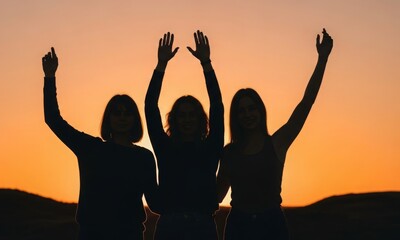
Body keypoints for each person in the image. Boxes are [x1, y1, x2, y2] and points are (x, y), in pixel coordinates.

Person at [216, 28, 334, 239]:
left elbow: (307, 102)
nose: (247, 114)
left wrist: (322, 59)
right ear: (235, 117)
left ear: (260, 111)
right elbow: (216, 195)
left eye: (252, 108)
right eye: (241, 110)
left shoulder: (277, 143)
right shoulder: (229, 153)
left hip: (271, 224)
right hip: (239, 226)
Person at [42, 47, 160, 239]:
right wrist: (49, 77)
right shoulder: (90, 148)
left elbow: (156, 203)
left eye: (127, 113)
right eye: (117, 112)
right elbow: (53, 120)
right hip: (93, 234)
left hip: (130, 235)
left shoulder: (144, 157)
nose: (122, 117)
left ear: (135, 119)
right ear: (109, 118)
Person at [145, 31, 224, 239]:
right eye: (182, 115)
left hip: (203, 226)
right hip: (170, 226)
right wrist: (161, 66)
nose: (187, 119)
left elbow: (217, 105)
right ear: (175, 120)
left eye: (192, 115)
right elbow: (150, 107)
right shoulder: (165, 147)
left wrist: (206, 64)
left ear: (200, 119)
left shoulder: (211, 146)